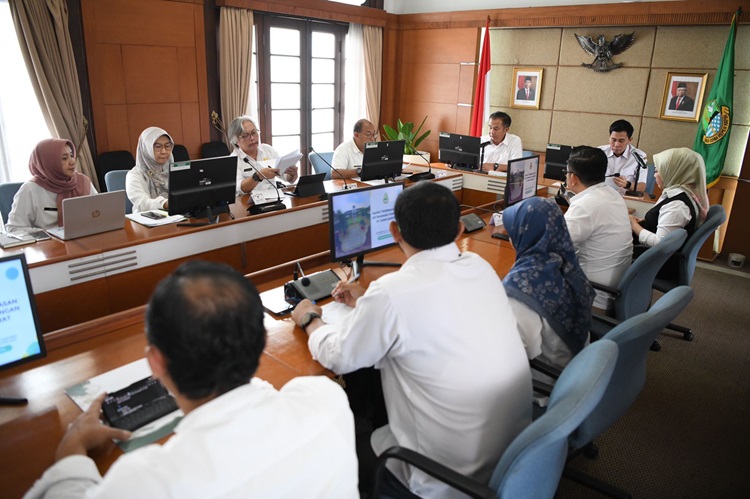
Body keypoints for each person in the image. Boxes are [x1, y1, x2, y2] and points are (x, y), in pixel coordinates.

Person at [25, 261, 359, 498]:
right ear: (260, 341)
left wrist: (71, 451)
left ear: (155, 363)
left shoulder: (147, 482)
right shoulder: (326, 400)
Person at [291, 182, 531, 498]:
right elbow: (434, 306)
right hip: (514, 455)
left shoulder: (392, 293)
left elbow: (338, 357)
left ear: (394, 231)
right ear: (460, 230)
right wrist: (368, 300)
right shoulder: (479, 266)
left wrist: (310, 317)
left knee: (330, 456)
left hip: (442, 474)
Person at [503, 197, 594, 371]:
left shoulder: (521, 287)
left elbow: (514, 352)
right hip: (575, 368)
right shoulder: (566, 264)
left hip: (545, 381)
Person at [564, 146, 633, 312]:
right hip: (615, 285)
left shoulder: (585, 206)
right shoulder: (612, 193)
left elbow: (551, 244)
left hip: (593, 296)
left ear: (573, 178)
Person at [630, 147, 708, 279]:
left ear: (674, 172)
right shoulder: (682, 192)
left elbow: (660, 244)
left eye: (657, 171)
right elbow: (664, 224)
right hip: (657, 256)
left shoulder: (678, 205)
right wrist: (643, 223)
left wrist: (633, 224)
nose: (654, 175)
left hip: (657, 263)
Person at [6, 138, 97, 233]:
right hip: (47, 245)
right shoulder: (31, 189)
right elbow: (13, 228)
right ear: (49, 162)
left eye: (71, 155)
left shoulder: (83, 182)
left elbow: (101, 214)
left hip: (84, 238)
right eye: (64, 158)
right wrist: (49, 234)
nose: (72, 162)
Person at [228, 115, 298, 197]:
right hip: (248, 204)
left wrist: (292, 175)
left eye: (254, 133)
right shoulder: (232, 160)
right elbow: (241, 188)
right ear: (235, 140)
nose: (252, 138)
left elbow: (286, 177)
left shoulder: (268, 150)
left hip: (274, 201)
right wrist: (259, 176)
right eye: (245, 135)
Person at [126, 127, 173, 213]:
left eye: (167, 146)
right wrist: (164, 203)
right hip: (146, 221)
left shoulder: (174, 170)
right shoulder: (134, 175)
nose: (164, 151)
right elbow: (142, 202)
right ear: (146, 148)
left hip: (175, 216)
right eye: (158, 147)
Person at [598, 119, 647, 196]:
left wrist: (628, 184)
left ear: (630, 140)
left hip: (624, 199)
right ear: (609, 137)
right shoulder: (599, 152)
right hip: (599, 195)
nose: (616, 144)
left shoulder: (639, 157)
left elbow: (642, 187)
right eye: (613, 140)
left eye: (621, 141)